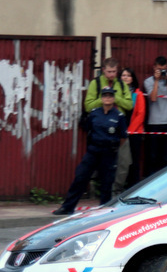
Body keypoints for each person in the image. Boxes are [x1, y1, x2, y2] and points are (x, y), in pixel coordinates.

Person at [53, 87, 127, 215]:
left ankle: (104, 210)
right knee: (80, 177)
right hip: (93, 151)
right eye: (105, 95)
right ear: (101, 98)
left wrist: (113, 147)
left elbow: (123, 137)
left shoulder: (119, 116)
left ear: (113, 98)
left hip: (109, 152)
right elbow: (88, 129)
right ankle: (67, 207)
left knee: (107, 182)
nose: (107, 98)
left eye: (110, 96)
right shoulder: (94, 113)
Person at [143, 56, 167, 175]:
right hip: (154, 122)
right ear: (154, 68)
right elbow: (153, 98)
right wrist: (157, 81)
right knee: (153, 155)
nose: (161, 71)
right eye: (159, 69)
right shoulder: (148, 81)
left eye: (163, 69)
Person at [112, 68, 146, 194]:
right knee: (120, 162)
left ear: (133, 78)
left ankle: (133, 188)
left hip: (134, 132)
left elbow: (140, 114)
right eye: (123, 75)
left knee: (133, 161)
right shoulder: (116, 93)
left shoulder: (138, 94)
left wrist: (130, 131)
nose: (125, 77)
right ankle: (119, 187)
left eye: (128, 75)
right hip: (120, 132)